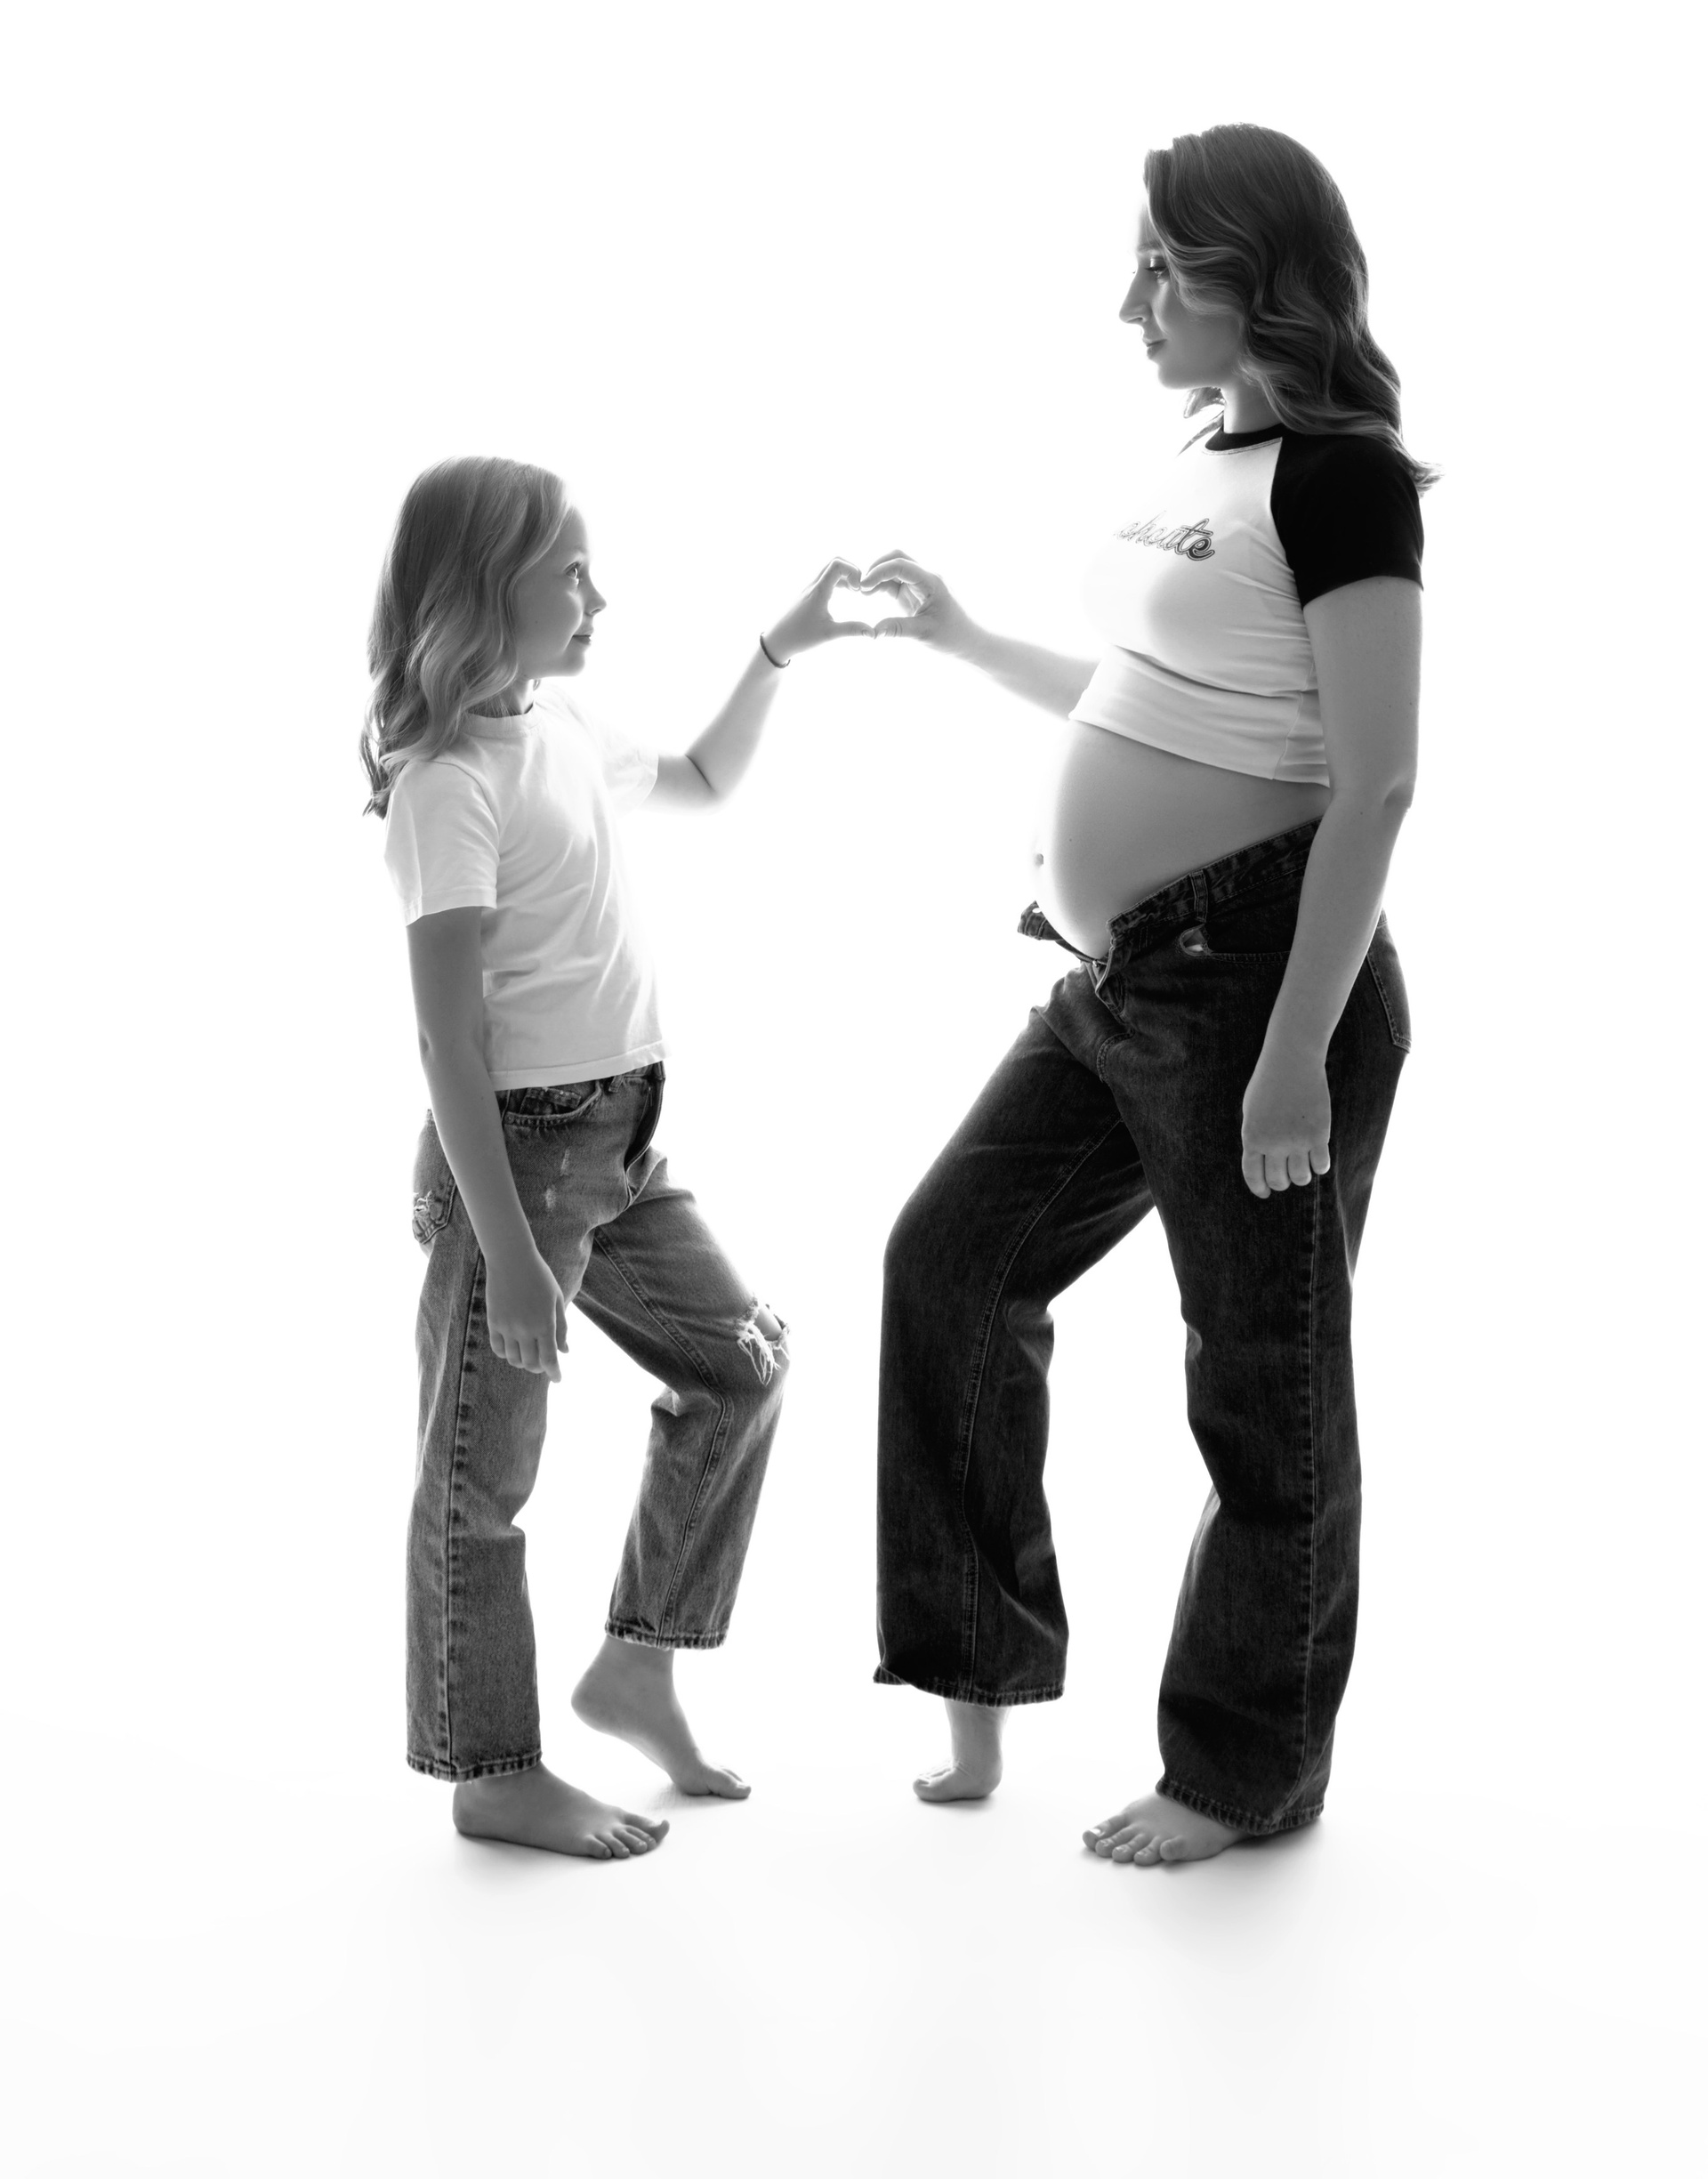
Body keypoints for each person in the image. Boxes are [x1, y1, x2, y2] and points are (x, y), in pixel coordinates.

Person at [863, 124, 1430, 1866]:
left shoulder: (1347, 478)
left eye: (1164, 269)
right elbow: (1146, 690)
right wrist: (965, 637)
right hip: (1118, 979)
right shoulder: (1207, 452)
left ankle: (1243, 1774)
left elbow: (1379, 780)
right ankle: (974, 1667)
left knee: (1264, 1390)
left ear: (1262, 277)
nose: (1132, 302)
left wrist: (1293, 1054)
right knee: (948, 1263)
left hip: (1257, 983)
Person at [361, 458, 866, 1859]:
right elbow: (449, 1042)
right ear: (484, 591)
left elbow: (703, 777)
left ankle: (638, 1664)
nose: (599, 595)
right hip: (517, 1166)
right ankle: (491, 1770)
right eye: (571, 572)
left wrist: (779, 649)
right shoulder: (447, 784)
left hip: (620, 1144)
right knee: (478, 1479)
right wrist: (510, 1256)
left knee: (742, 1365)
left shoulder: (563, 724)